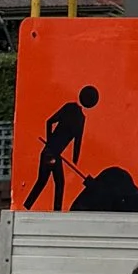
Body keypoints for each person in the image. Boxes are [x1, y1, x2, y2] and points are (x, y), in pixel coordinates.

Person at [26, 83, 99, 211]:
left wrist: (51, 145)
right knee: (51, 183)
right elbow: (76, 142)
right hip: (51, 153)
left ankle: (32, 206)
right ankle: (48, 210)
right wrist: (53, 147)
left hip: (52, 153)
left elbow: (76, 141)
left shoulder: (73, 111)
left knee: (49, 183)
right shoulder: (77, 115)